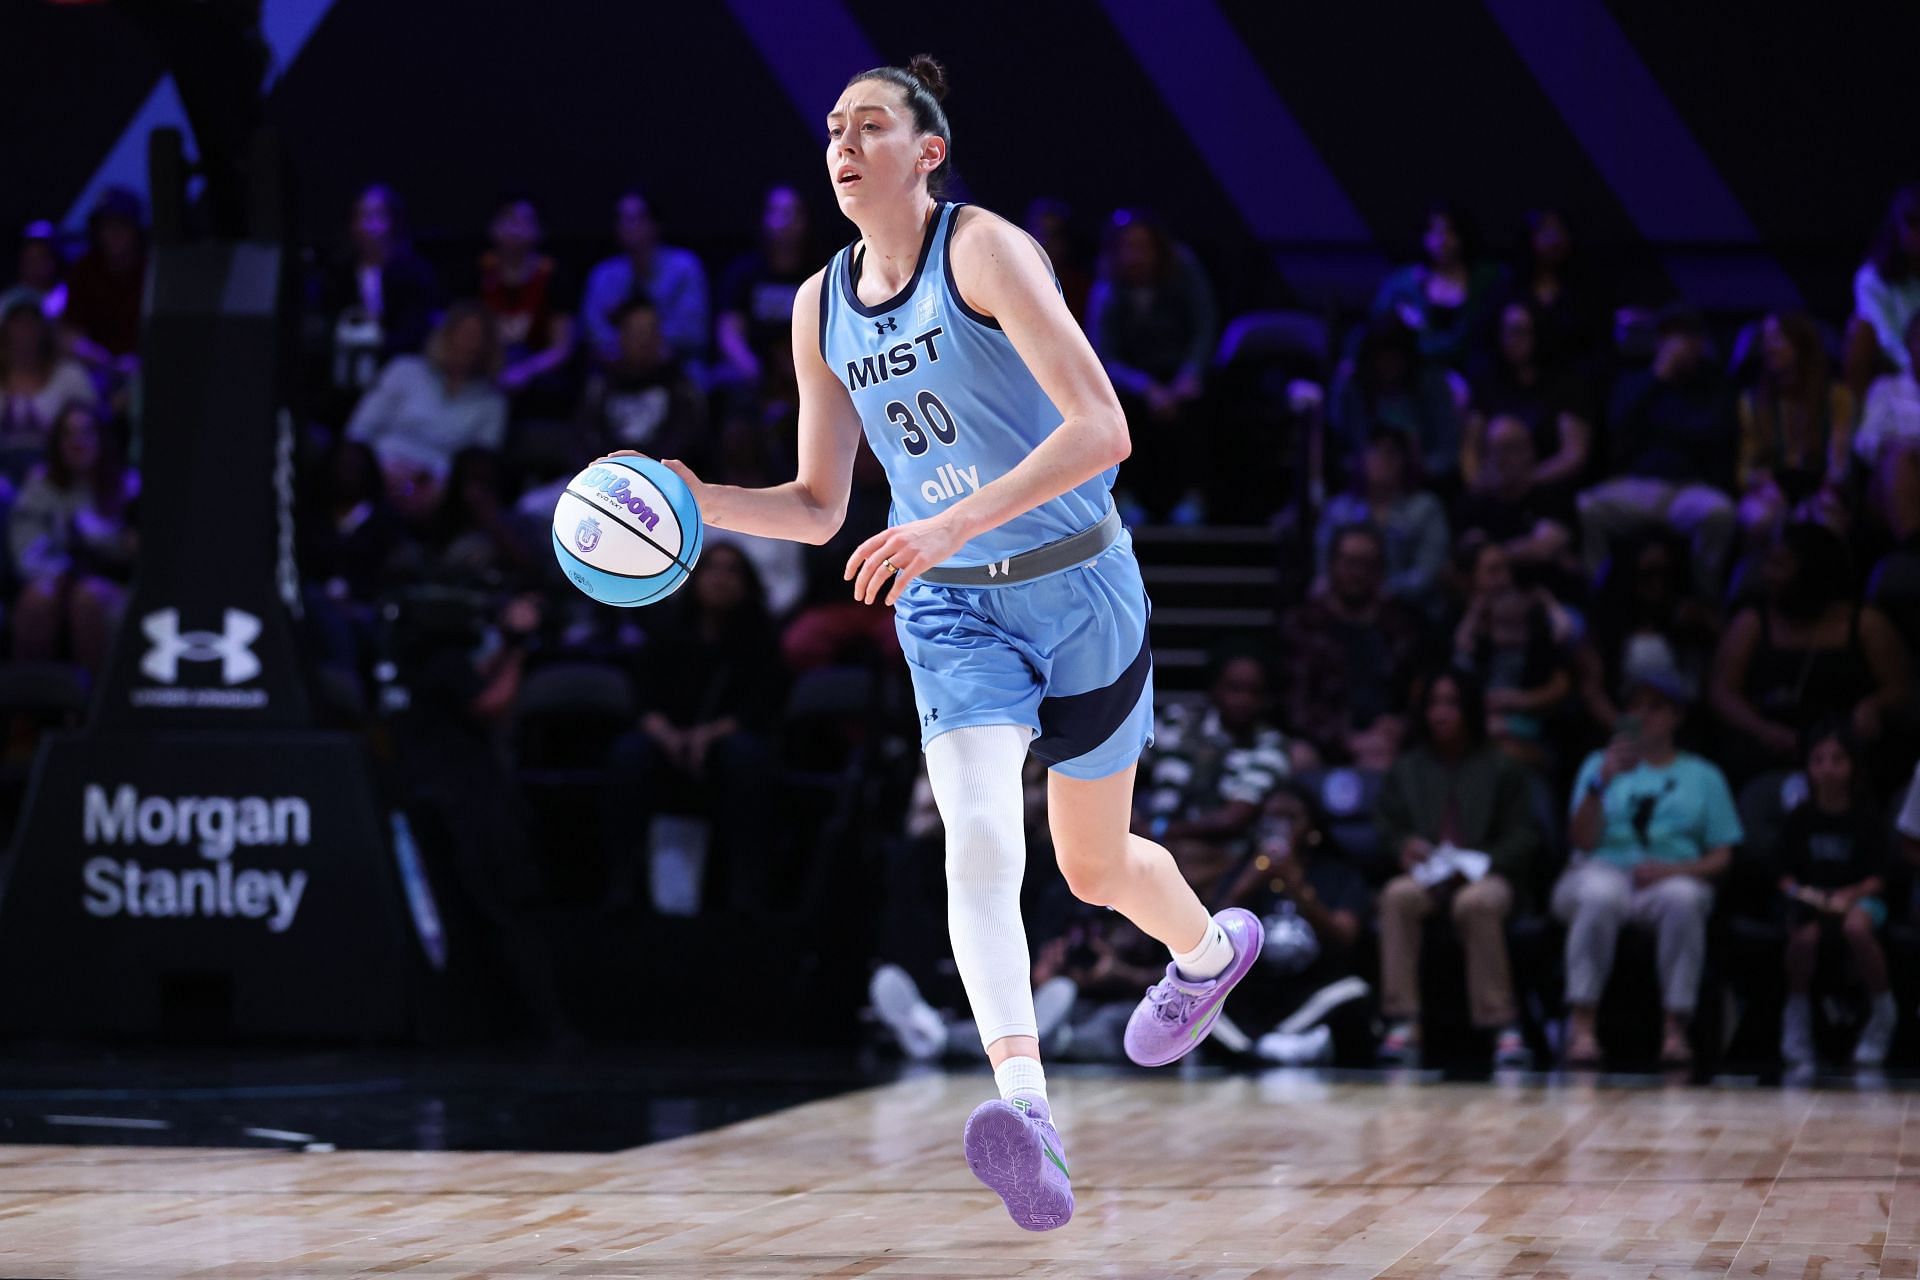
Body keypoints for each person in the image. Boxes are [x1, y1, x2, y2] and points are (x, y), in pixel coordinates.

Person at [596, 57, 1261, 1232]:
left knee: (1094, 871)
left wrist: (945, 517)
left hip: (1080, 587)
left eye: (871, 126)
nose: (844, 146)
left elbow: (1104, 428)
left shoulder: (986, 250)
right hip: (951, 608)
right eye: (832, 132)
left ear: (928, 150)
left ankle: (1208, 952)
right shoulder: (818, 304)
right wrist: (699, 501)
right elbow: (815, 503)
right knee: (979, 831)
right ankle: (1028, 1113)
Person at [1554, 639, 1741, 1067]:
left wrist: (1672, 870)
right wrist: (1602, 781)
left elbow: (1723, 856)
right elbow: (1580, 841)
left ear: (1676, 715)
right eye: (1635, 707)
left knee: (1685, 898)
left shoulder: (1703, 775)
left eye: (1655, 707)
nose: (1642, 716)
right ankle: (1582, 1025)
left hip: (1669, 877)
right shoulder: (1597, 765)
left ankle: (1675, 1029)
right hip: (1599, 870)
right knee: (1599, 894)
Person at [1375, 669, 1541, 1066]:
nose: (1441, 713)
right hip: (1429, 873)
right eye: (1434, 704)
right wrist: (1404, 847)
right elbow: (1386, 827)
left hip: (1487, 873)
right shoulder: (1408, 767)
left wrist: (1484, 861)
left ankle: (1503, 1025)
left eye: (1451, 703)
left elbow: (1526, 835)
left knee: (1476, 903)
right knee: (1397, 896)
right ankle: (1402, 1022)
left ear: (1468, 709)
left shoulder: (1502, 765)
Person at [1708, 522, 1908, 784]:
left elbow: (1901, 687)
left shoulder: (1866, 624)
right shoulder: (1752, 622)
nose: (1768, 574)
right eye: (1768, 564)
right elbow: (1722, 691)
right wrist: (1763, 730)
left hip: (1849, 752)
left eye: (1780, 565)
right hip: (1770, 751)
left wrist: (1873, 706)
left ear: (1812, 571)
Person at [1578, 306, 1737, 596]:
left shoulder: (1714, 385)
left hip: (1690, 488)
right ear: (1659, 342)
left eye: (1689, 338)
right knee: (1588, 508)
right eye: (1672, 337)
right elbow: (1618, 427)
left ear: (1701, 344)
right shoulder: (1635, 381)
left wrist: (1669, 426)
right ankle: (1601, 599)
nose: (1681, 346)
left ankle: (1702, 599)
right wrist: (1659, 377)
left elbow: (1711, 432)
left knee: (1720, 513)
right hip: (1638, 487)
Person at [1085, 207, 1218, 524]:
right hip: (1133, 381)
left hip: (1180, 374)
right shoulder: (1106, 290)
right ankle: (1125, 497)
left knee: (1205, 407)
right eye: (1128, 247)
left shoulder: (1183, 272)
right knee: (1113, 410)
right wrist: (1148, 390)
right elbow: (1103, 355)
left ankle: (1195, 497)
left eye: (1143, 246)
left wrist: (1190, 374)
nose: (1136, 256)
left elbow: (1205, 326)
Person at [1777, 722, 1895, 1069]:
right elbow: (1782, 876)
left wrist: (1850, 894)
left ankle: (1882, 1012)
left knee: (1857, 928)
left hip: (1859, 899)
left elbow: (1880, 877)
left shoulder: (1868, 817)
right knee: (1803, 939)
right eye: (1818, 760)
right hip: (1811, 901)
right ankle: (1796, 1016)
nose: (1827, 768)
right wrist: (1807, 894)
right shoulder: (1799, 818)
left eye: (1837, 759)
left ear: (1852, 766)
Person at [1280, 522, 1430, 769]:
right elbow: (1296, 708)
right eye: (1349, 562)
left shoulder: (1404, 627)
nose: (1356, 572)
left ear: (1380, 570)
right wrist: (1347, 739)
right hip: (1325, 743)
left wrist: (1401, 725)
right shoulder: (1302, 625)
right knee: (1299, 757)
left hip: (1389, 744)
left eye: (1366, 563)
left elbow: (1423, 694)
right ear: (1331, 566)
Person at [345, 301, 508, 521]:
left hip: (438, 488)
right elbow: (359, 430)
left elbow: (479, 464)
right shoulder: (403, 370)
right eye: (464, 334)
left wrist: (434, 480)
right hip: (379, 469)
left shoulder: (493, 401)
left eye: (478, 338)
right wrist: (383, 470)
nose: (470, 345)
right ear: (446, 335)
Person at [9, 402, 138, 671]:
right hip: (55, 581)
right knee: (38, 598)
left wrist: (105, 539)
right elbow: (27, 553)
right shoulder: (38, 488)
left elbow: (137, 554)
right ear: (57, 442)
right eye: (68, 434)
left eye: (86, 432)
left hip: (113, 586)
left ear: (101, 438)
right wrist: (62, 575)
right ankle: (29, 704)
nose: (77, 441)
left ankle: (96, 707)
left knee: (88, 598)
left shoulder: (128, 487)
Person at [313, 184, 440, 425]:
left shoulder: (415, 272)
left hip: (399, 373)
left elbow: (417, 330)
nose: (370, 225)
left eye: (377, 215)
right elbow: (328, 323)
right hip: (345, 373)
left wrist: (377, 338)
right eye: (362, 216)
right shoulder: (339, 273)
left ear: (394, 221)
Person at [1735, 311, 1854, 536]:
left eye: (1778, 338)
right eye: (1766, 340)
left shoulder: (1836, 397)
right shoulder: (1751, 402)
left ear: (1801, 345)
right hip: (1771, 487)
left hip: (1818, 486)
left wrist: (1830, 489)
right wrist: (1761, 483)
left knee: (1822, 522)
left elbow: (1840, 458)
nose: (1769, 348)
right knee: (1761, 518)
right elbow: (1745, 466)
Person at [1314, 427, 1449, 618]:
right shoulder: (1338, 510)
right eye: (1374, 451)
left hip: (1409, 611)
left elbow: (1427, 573)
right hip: (1344, 609)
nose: (1382, 459)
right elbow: (1323, 573)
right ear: (1361, 459)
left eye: (1391, 452)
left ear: (1404, 460)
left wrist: (1386, 591)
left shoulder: (1426, 508)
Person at [580, 191, 710, 370]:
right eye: (623, 219)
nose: (630, 226)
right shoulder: (603, 274)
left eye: (637, 218)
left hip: (673, 363)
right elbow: (594, 331)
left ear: (655, 224)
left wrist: (646, 347)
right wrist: (627, 350)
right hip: (617, 366)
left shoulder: (685, 267)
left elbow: (692, 330)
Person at [1370, 204, 1503, 373]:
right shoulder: (1404, 283)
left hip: (1470, 370)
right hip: (1414, 372)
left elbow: (1465, 344)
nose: (1441, 241)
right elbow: (1374, 324)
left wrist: (1422, 332)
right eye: (1434, 232)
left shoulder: (1483, 281)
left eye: (1448, 232)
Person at [475, 194, 577, 415]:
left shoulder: (553, 276)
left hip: (536, 370)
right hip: (483, 366)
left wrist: (524, 371)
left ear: (538, 231)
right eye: (508, 220)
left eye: (523, 222)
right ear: (493, 227)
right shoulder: (477, 272)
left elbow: (562, 347)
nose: (515, 229)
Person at [715, 185, 814, 400]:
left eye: (792, 213)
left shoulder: (822, 272)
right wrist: (752, 370)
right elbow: (728, 332)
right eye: (777, 212)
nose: (785, 221)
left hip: (811, 372)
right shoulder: (743, 272)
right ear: (764, 218)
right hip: (755, 372)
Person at [0, 288, 96, 472]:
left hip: (61, 481)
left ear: (46, 328)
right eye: (17, 322)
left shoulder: (71, 376)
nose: (25, 330)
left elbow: (95, 437)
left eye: (32, 321)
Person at [1845, 184, 1920, 400]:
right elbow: (1884, 338)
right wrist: (1915, 368)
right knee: (1859, 331)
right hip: (1891, 370)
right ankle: (1858, 417)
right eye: (1913, 225)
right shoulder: (1872, 279)